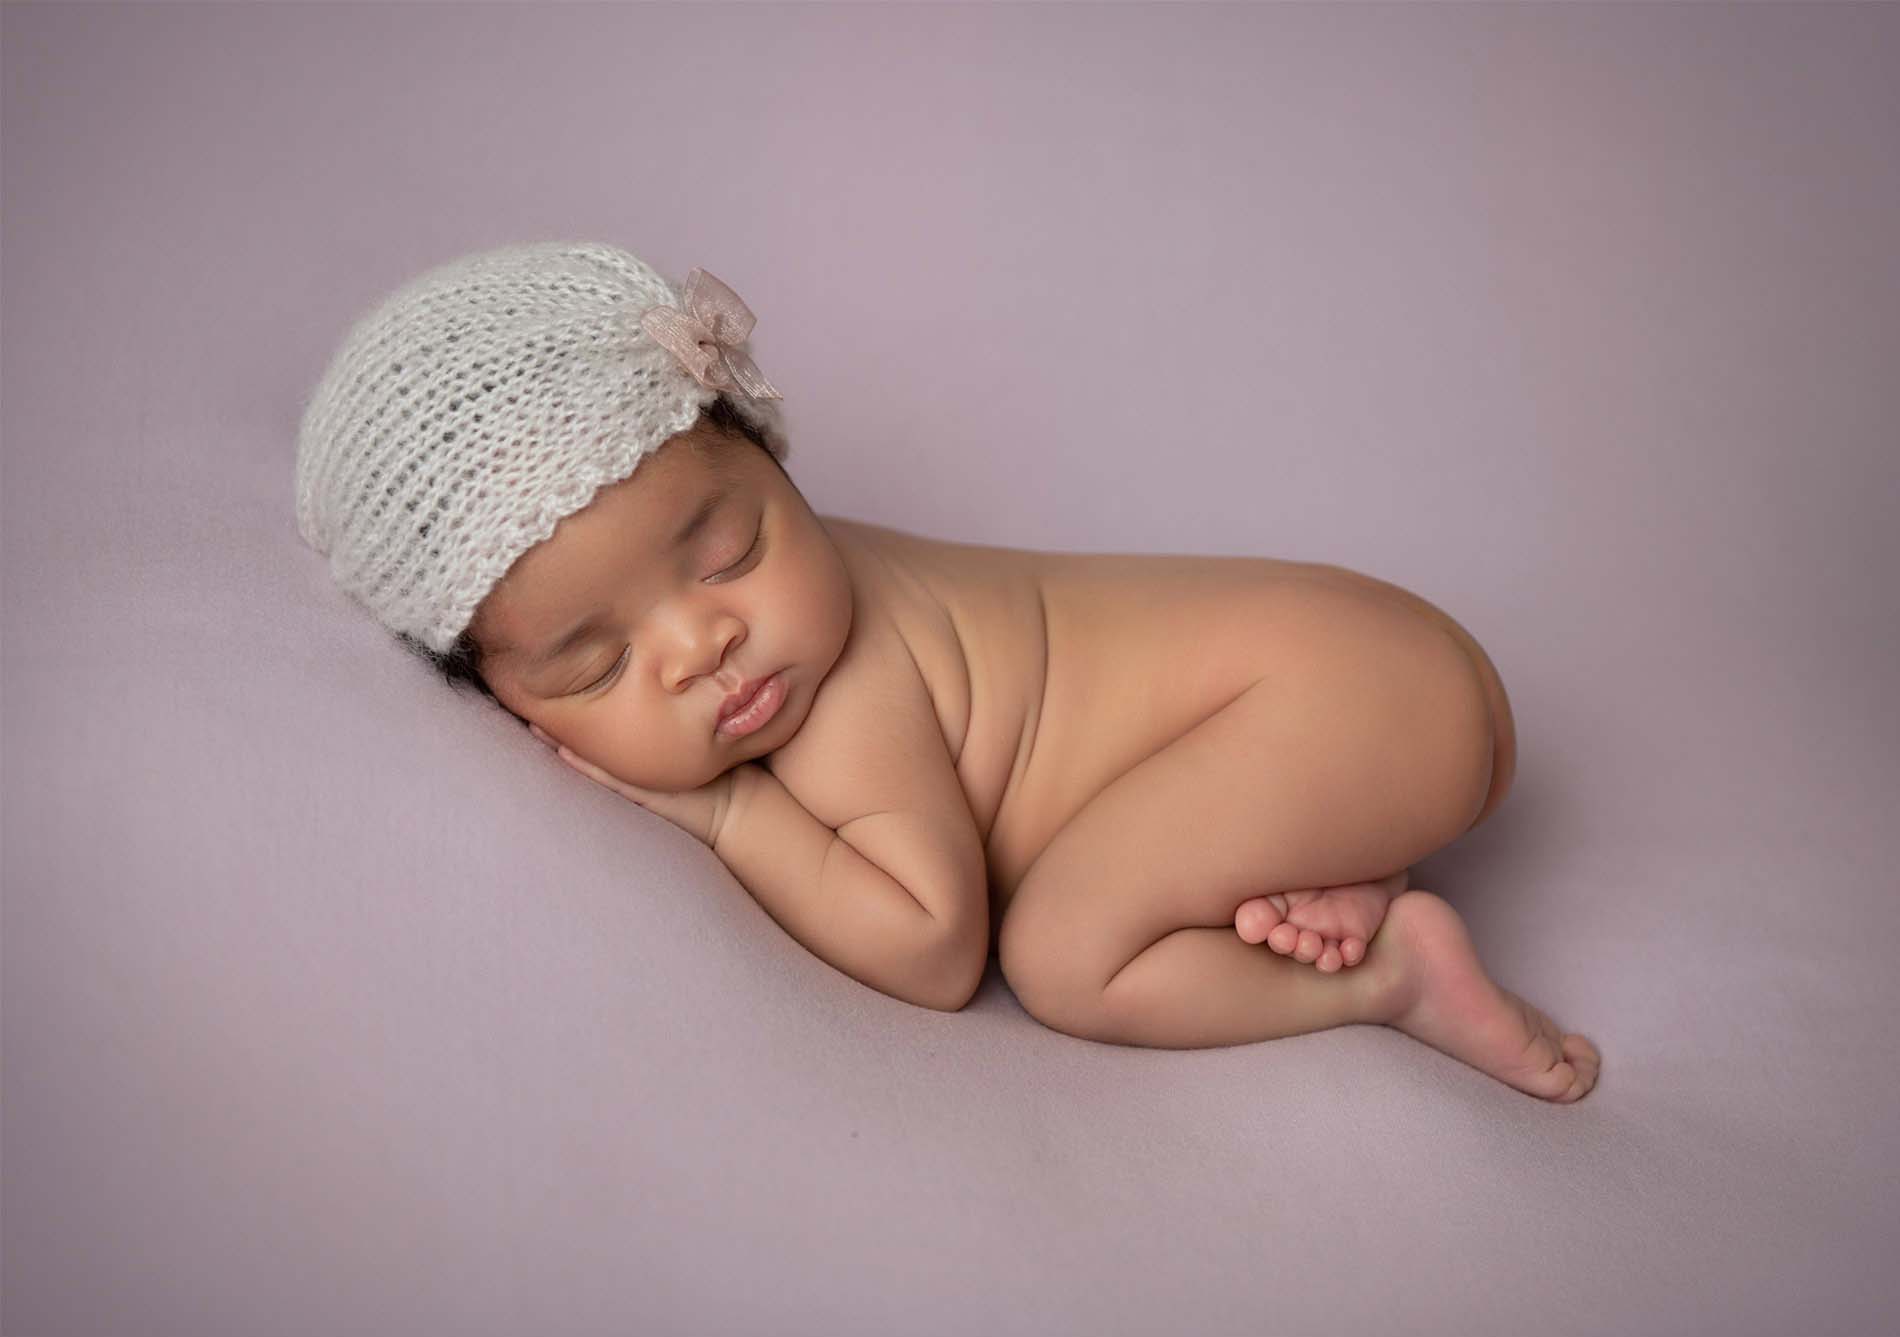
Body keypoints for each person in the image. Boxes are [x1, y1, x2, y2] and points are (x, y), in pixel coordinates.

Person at [296, 241, 1599, 1102]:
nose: (704, 647)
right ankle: (1331, 843)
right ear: (500, 694)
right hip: (1356, 676)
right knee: (1128, 850)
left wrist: (731, 812)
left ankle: (1391, 974)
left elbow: (933, 947)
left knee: (1066, 954)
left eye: (732, 551)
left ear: (776, 464)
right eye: (599, 663)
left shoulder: (845, 693)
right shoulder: (809, 588)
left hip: (1342, 697)